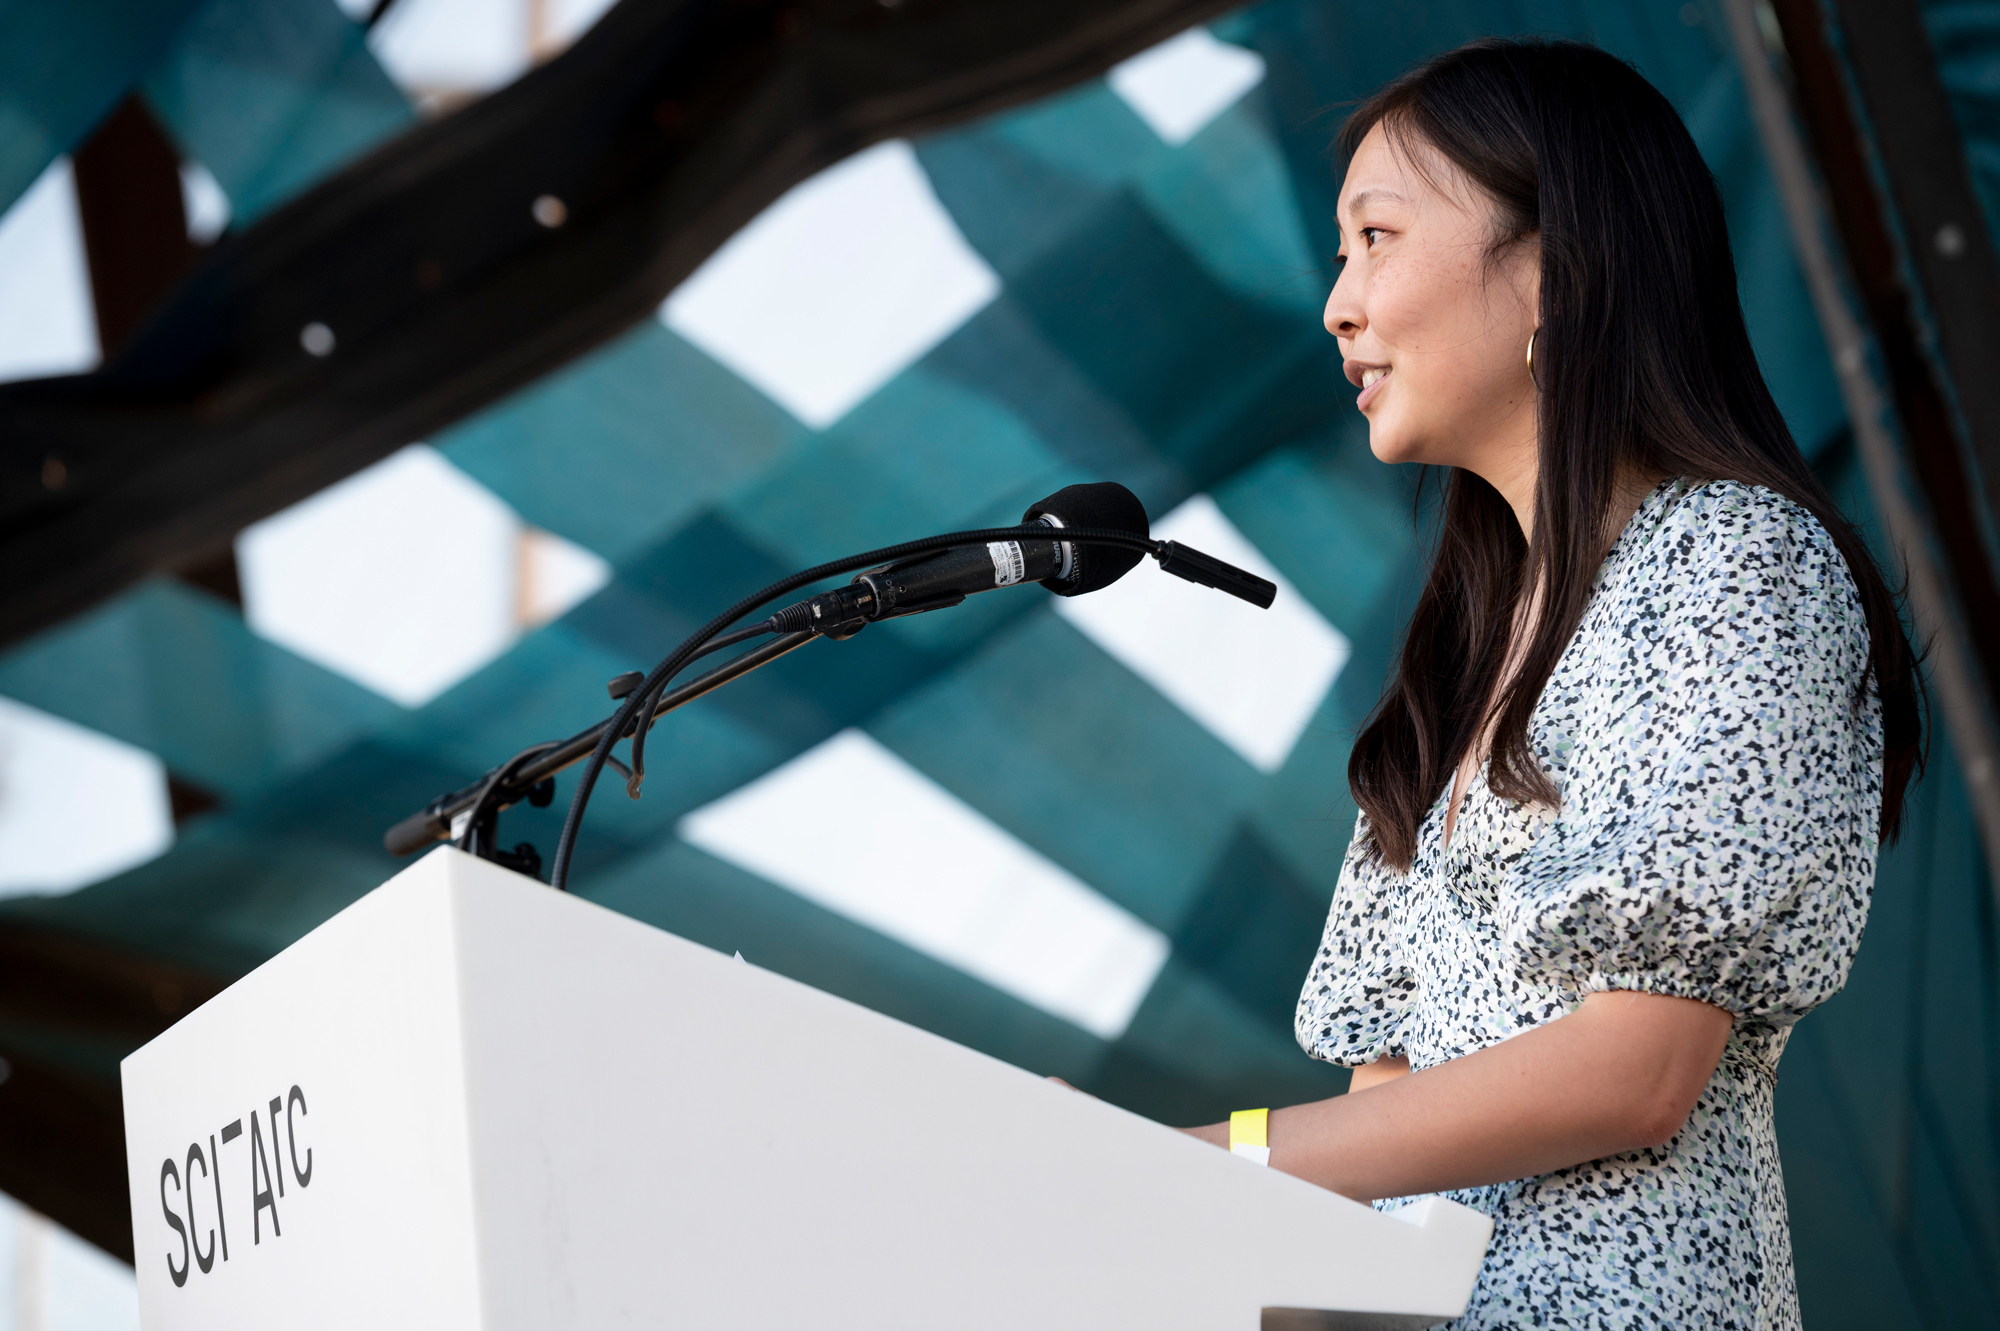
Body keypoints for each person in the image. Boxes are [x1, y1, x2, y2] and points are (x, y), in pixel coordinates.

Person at [1179, 38, 1926, 1328]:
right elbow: (1384, 1133)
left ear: (1550, 272)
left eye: (1376, 238)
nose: (1337, 304)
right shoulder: (1464, 663)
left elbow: (1636, 1071)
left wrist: (1205, 1165)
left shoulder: (1738, 561)